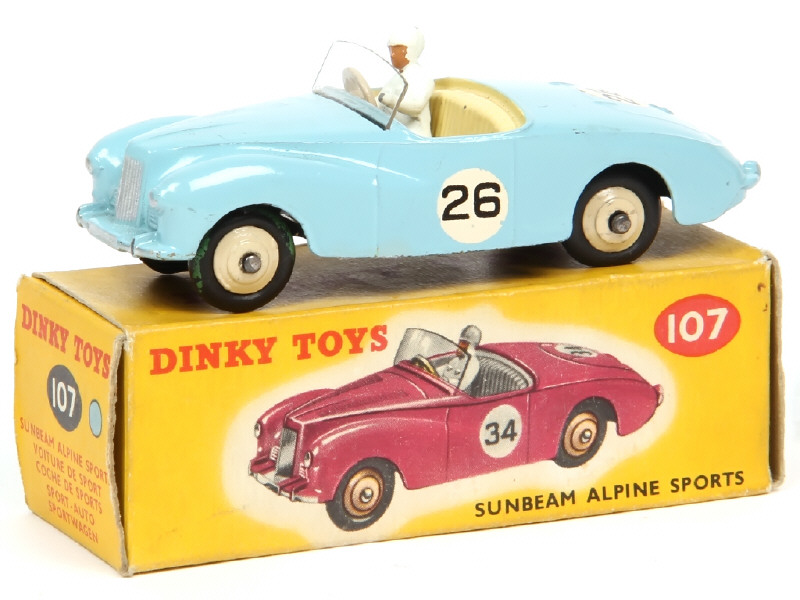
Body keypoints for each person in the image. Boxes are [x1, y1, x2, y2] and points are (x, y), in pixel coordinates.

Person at [378, 26, 434, 137]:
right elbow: (380, 98)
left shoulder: (421, 76)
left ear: (410, 51)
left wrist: (390, 100)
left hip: (414, 137)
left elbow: (416, 107)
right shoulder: (397, 77)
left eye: (398, 50)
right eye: (391, 50)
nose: (392, 55)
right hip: (393, 133)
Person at [442, 325, 482, 391]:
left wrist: (447, 380)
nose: (460, 345)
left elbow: (462, 385)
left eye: (464, 343)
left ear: (472, 346)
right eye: (460, 342)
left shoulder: (473, 363)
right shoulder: (454, 357)